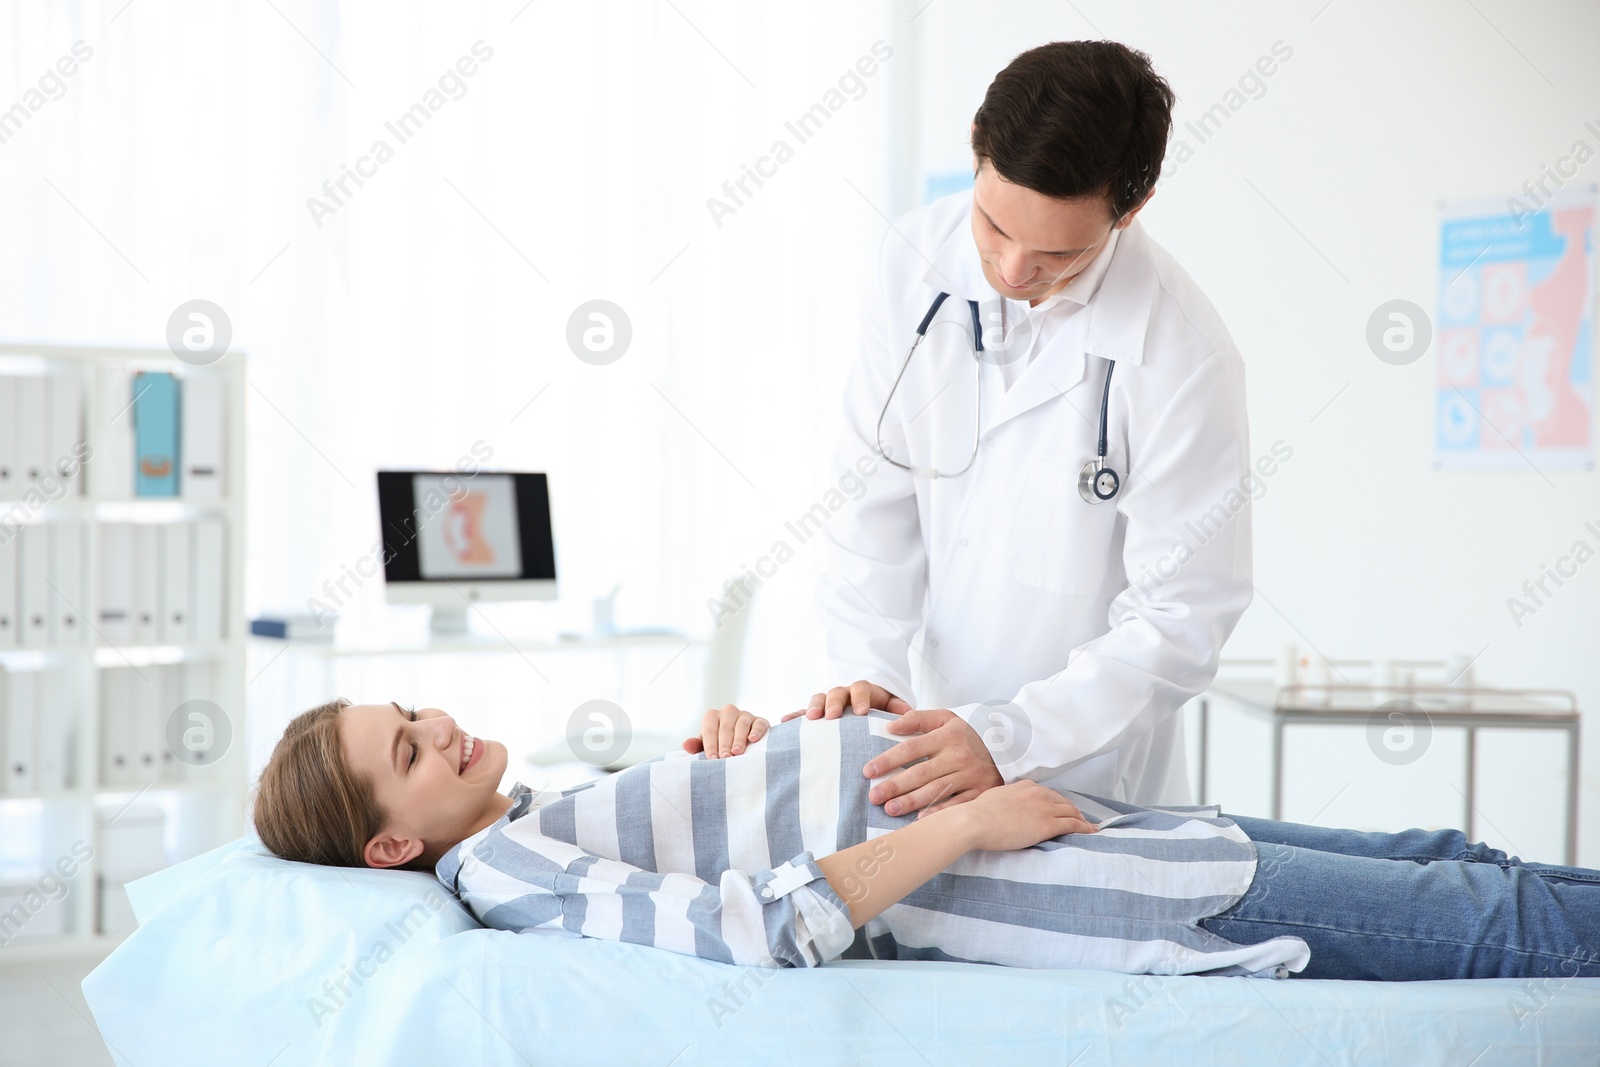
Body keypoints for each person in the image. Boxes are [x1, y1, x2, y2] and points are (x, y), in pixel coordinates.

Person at [251, 700, 1600, 981]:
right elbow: (757, 925)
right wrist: (965, 817)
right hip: (1090, 878)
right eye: (407, 753)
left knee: (1451, 852)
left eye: (412, 709)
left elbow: (748, 830)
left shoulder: (532, 812)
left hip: (1090, 823)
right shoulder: (496, 869)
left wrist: (778, 729)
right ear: (385, 849)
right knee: (1500, 921)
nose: (439, 725)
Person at [808, 39, 1259, 817]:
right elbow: (870, 501)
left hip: (1087, 778)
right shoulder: (914, 263)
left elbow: (1181, 617)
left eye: (1058, 251)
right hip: (916, 750)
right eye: (992, 223)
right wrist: (870, 687)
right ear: (977, 152)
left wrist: (1011, 739)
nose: (1014, 269)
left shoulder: (1184, 354)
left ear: (1132, 208)